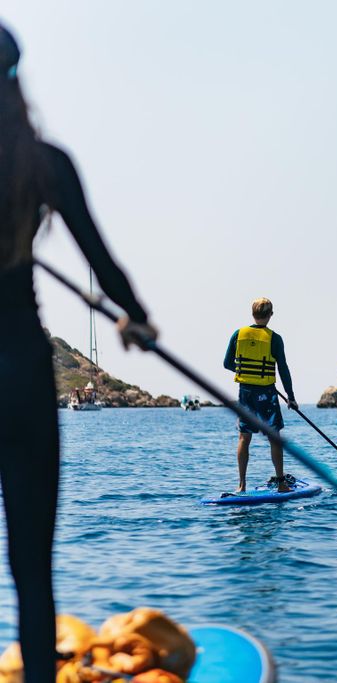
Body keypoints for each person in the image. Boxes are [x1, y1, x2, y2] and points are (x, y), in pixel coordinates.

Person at [0, 23, 157, 682]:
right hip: (22, 373)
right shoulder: (44, 163)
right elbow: (102, 261)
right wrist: (136, 319)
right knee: (32, 568)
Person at [223, 298, 298, 492]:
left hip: (245, 393)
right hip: (267, 393)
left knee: (244, 437)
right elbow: (283, 369)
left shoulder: (238, 334)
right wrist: (290, 396)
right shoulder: (274, 338)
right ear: (270, 314)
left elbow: (227, 363)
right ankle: (281, 483)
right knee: (274, 438)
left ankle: (241, 485)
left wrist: (247, 373)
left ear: (253, 313)